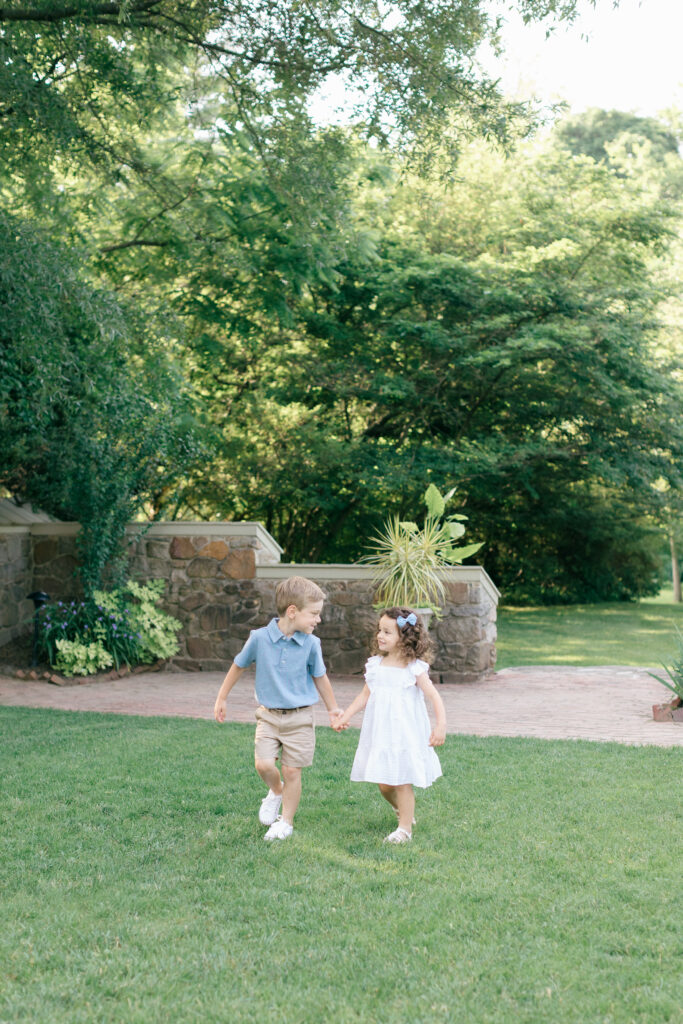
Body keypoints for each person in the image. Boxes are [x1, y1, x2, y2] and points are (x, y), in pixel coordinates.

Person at [213, 576, 343, 841]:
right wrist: (222, 697)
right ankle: (276, 791)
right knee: (263, 765)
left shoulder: (311, 643)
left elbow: (320, 676)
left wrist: (332, 709)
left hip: (301, 716)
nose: (318, 620)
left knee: (293, 770)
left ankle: (286, 822)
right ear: (292, 611)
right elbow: (239, 665)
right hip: (268, 716)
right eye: (314, 614)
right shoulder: (259, 639)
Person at [333, 607, 446, 843]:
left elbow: (434, 696)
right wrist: (346, 716)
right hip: (381, 731)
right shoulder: (375, 665)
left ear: (403, 638)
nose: (380, 636)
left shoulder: (414, 668)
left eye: (387, 632)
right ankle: (402, 811)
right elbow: (364, 695)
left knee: (402, 779)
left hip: (405, 732)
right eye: (379, 630)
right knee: (385, 784)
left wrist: (441, 725)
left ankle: (404, 829)